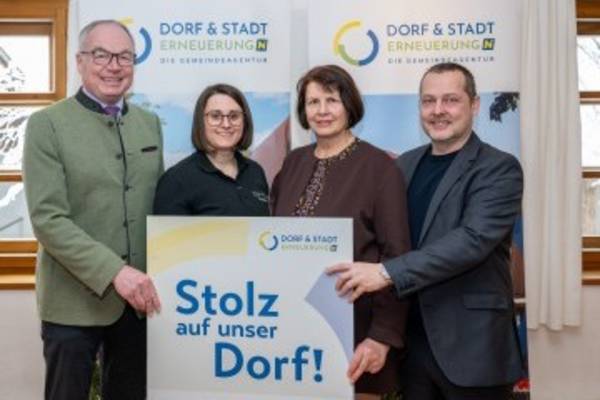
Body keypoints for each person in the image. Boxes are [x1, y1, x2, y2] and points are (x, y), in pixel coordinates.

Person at [327, 62, 524, 400]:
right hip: (411, 348)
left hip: (473, 349)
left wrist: (385, 272)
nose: (438, 110)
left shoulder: (499, 168)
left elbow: (472, 241)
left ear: (474, 105)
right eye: (428, 101)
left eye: (451, 100)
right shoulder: (403, 166)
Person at [23, 20, 163, 400]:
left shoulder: (150, 124)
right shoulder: (47, 125)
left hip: (136, 307)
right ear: (80, 61)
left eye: (124, 57)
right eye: (101, 55)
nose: (113, 66)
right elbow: (48, 220)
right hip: (71, 305)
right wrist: (116, 272)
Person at [271, 64, 410, 399]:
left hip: (357, 336)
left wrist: (381, 337)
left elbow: (397, 257)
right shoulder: (292, 163)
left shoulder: (380, 167)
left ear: (349, 105)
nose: (322, 111)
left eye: (331, 100)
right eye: (313, 102)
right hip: (293, 332)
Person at [153, 84, 269, 216]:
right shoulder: (175, 180)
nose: (226, 124)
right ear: (200, 122)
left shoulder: (255, 171)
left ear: (245, 121)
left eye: (234, 116)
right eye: (215, 116)